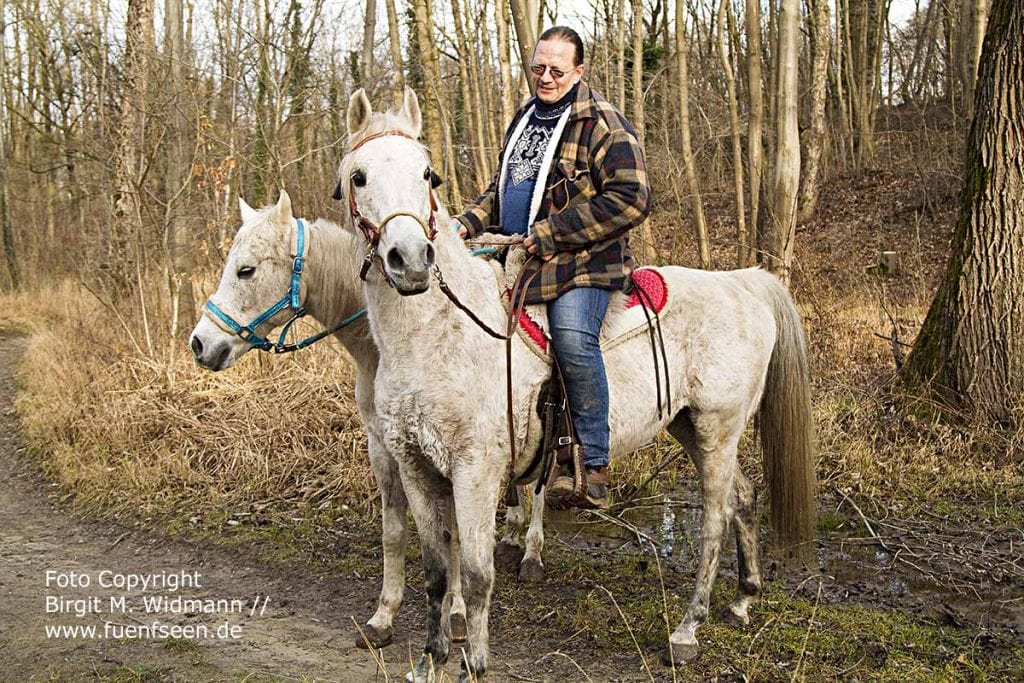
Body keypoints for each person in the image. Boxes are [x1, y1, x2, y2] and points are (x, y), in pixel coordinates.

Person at [452, 26, 652, 510]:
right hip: (523, 261)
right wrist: (465, 223)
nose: (545, 77)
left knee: (570, 336)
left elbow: (634, 198)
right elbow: (503, 190)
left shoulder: (602, 122)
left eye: (557, 70)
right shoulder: (526, 118)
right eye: (538, 67)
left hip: (586, 265)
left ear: (578, 71)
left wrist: (552, 231)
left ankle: (591, 462)